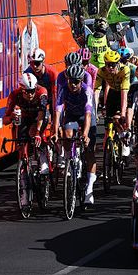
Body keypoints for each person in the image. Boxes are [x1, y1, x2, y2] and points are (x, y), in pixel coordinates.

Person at [52, 65, 96, 205]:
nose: (73, 84)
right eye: (71, 81)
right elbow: (58, 111)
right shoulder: (64, 88)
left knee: (89, 151)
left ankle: (89, 190)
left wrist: (85, 134)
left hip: (85, 116)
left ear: (81, 80)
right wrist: (55, 131)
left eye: (76, 81)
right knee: (67, 134)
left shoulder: (86, 90)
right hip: (71, 115)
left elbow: (88, 115)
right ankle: (70, 158)